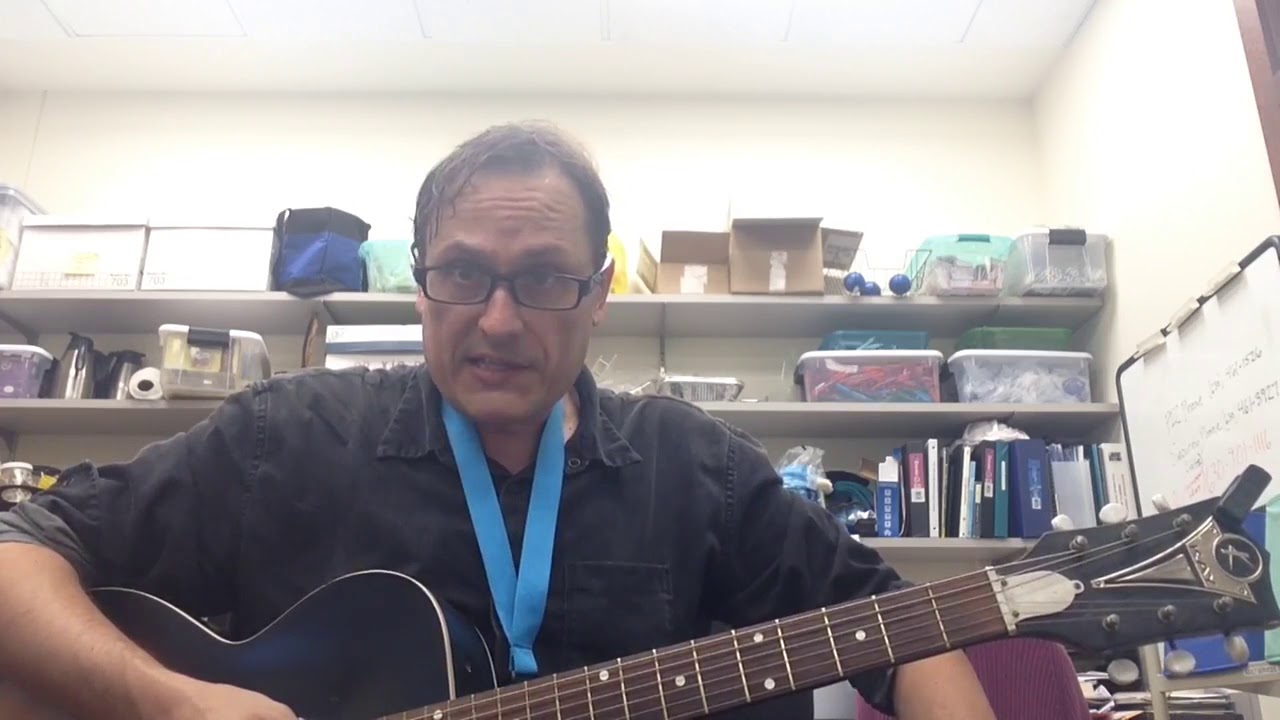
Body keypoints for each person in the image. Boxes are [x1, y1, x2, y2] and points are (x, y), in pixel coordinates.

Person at [0, 121, 997, 720]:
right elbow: (18, 556)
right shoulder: (285, 439)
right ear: (419, 283)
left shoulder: (697, 468)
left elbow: (908, 634)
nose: (500, 321)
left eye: (545, 279)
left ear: (598, 295)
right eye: (465, 273)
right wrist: (169, 700)